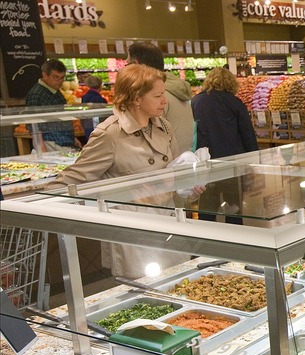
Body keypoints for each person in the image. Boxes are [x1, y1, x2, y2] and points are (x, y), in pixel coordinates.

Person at [48, 64, 199, 278]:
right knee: (147, 300)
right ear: (136, 98)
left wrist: (188, 185)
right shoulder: (110, 134)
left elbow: (171, 172)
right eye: (157, 96)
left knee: (178, 286)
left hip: (168, 220)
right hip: (134, 233)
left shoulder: (163, 126)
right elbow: (73, 178)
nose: (164, 101)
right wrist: (39, 206)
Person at [191, 67, 258, 225]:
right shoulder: (234, 103)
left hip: (205, 161)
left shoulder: (196, 101)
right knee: (233, 204)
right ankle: (234, 235)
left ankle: (207, 236)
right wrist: (253, 160)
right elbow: (247, 133)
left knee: (207, 203)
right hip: (232, 162)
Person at [128, 42, 195, 157]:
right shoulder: (175, 88)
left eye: (127, 64)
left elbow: (148, 142)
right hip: (181, 162)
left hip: (167, 166)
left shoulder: (153, 95)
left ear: (136, 64)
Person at [25, 59, 80, 150]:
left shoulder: (55, 90)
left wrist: (72, 138)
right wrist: (41, 149)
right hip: (51, 144)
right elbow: (33, 124)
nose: (60, 81)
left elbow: (61, 117)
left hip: (64, 142)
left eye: (62, 78)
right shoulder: (36, 94)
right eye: (55, 77)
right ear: (44, 75)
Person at [80, 75, 108, 140]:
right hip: (99, 130)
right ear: (100, 85)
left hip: (88, 127)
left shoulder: (84, 97)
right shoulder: (100, 99)